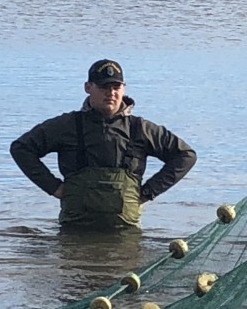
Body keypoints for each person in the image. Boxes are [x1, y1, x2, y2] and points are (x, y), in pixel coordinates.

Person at [10, 59, 197, 229]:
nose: (111, 93)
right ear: (88, 87)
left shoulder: (141, 129)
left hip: (126, 231)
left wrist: (148, 192)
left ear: (124, 88)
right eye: (104, 87)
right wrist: (53, 187)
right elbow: (21, 148)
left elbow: (185, 156)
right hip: (74, 229)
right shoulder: (66, 126)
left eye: (116, 87)